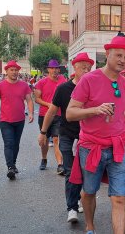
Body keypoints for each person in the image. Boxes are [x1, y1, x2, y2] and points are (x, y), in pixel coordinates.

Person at [66, 32, 125, 234]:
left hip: (119, 147)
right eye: (118, 55)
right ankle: (90, 227)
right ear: (107, 54)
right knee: (89, 192)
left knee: (119, 197)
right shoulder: (89, 79)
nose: (123, 60)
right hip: (91, 147)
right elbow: (70, 113)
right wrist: (95, 109)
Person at [37, 53, 94, 223]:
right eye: (82, 67)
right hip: (68, 135)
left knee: (85, 172)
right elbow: (52, 111)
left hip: (87, 137)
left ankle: (77, 199)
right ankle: (72, 208)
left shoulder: (93, 88)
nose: (86, 70)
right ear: (74, 68)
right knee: (70, 172)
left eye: (88, 67)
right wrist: (43, 132)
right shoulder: (63, 89)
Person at [0, 60, 34, 179]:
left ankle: (13, 164)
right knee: (9, 143)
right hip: (6, 121)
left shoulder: (24, 85)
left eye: (16, 70)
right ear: (7, 71)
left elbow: (29, 100)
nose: (14, 72)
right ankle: (10, 167)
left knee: (16, 144)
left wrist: (30, 113)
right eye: (11, 70)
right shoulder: (0, 86)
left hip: (19, 120)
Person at [34, 59, 66, 173]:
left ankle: (60, 164)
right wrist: (49, 104)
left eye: (56, 68)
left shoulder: (63, 80)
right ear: (48, 69)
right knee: (45, 140)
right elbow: (36, 98)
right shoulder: (41, 83)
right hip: (44, 115)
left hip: (58, 115)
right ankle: (44, 159)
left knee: (56, 139)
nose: (55, 70)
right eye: (52, 68)